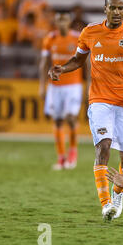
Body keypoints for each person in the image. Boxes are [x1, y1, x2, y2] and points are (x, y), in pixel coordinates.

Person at [49, 0, 123, 222]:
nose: (117, 12)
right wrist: (63, 68)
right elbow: (79, 60)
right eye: (113, 8)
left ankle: (118, 192)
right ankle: (106, 205)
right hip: (99, 101)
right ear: (105, 9)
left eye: (121, 8)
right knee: (103, 147)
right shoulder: (90, 32)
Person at [39, 11, 86, 170]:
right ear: (56, 23)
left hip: (73, 85)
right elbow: (44, 63)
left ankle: (73, 152)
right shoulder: (50, 38)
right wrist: (42, 86)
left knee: (71, 117)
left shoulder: (78, 38)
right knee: (58, 120)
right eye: (59, 21)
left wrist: (90, 85)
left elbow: (86, 63)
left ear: (69, 22)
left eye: (64, 20)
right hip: (55, 86)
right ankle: (61, 158)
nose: (61, 23)